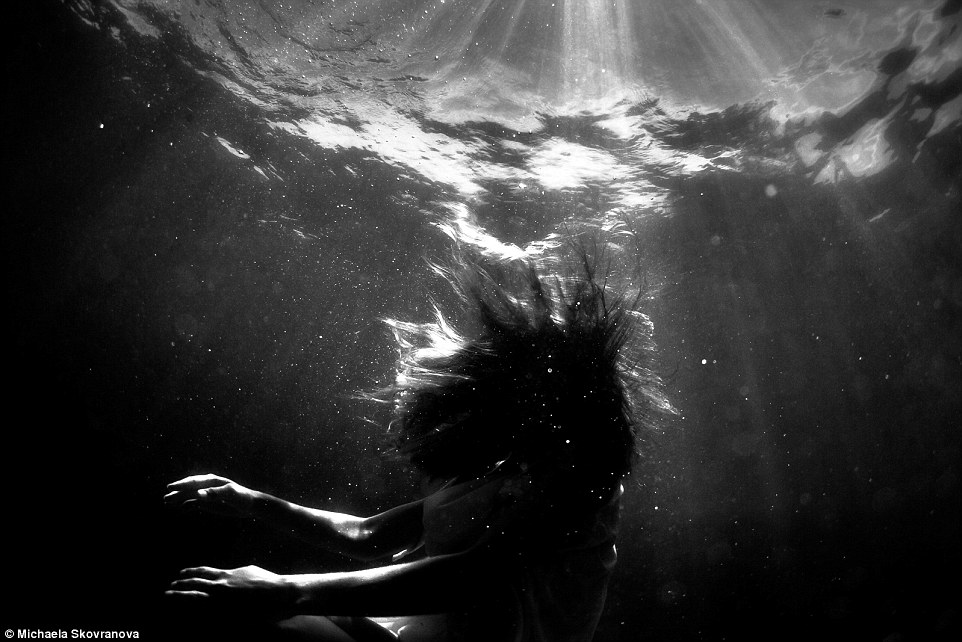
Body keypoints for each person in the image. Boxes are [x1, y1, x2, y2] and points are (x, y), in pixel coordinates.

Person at [165, 249, 663, 641]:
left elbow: (474, 576)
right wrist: (249, 500)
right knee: (226, 610)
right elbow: (369, 535)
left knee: (240, 617)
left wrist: (286, 591)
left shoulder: (584, 486)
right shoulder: (506, 464)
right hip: (425, 631)